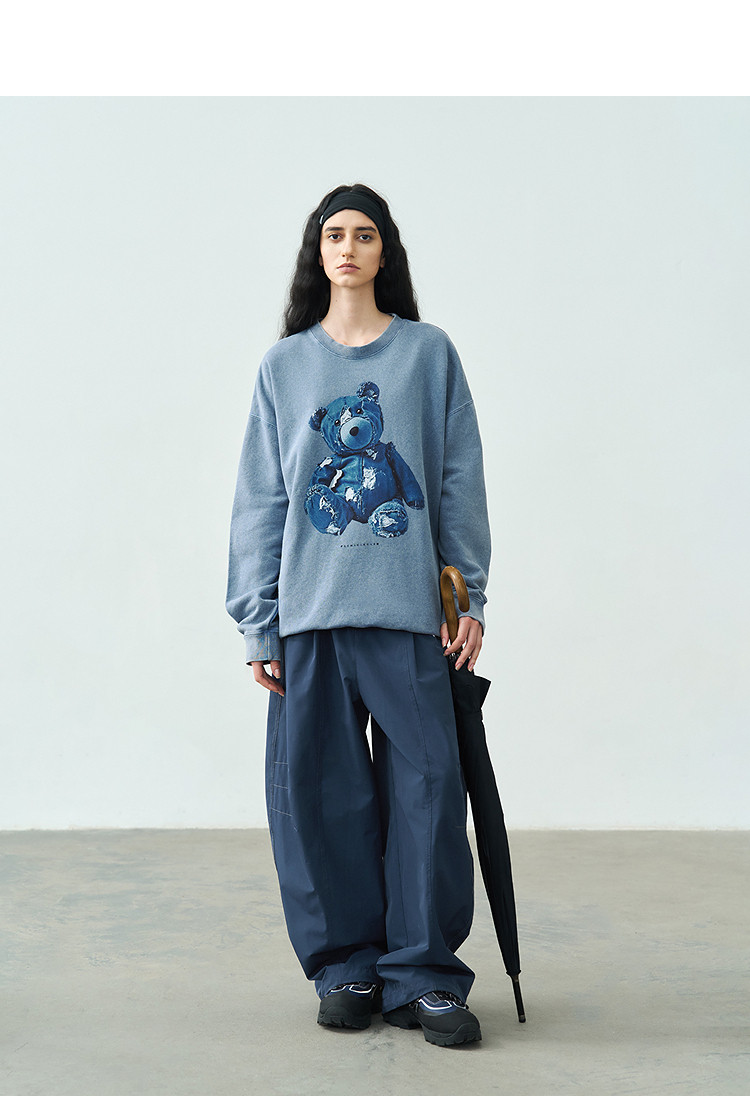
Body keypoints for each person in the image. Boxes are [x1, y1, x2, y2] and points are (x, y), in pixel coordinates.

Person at [226, 183, 491, 1048]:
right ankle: (346, 966)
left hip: (410, 616)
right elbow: (262, 499)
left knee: (428, 793)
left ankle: (424, 976)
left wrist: (469, 596)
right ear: (318, 250)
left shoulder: (427, 354)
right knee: (320, 800)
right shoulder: (284, 366)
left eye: (364, 234)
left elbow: (456, 479)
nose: (348, 247)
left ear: (385, 251)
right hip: (308, 617)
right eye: (333, 234)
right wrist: (258, 618)